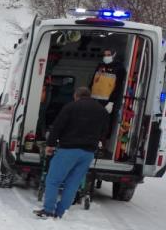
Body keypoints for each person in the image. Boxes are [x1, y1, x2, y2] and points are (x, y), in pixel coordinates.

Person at [35, 86, 110, 219]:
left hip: (68, 150)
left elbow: (57, 126)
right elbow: (105, 132)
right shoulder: (102, 111)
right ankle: (60, 212)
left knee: (53, 180)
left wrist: (50, 145)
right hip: (88, 153)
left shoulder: (71, 107)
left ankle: (48, 210)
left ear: (76, 96)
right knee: (73, 183)